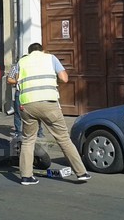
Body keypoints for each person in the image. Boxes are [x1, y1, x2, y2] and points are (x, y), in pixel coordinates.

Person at [16, 42, 90, 185]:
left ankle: (26, 176)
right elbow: (64, 78)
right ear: (42, 50)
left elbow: (14, 79)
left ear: (29, 52)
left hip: (27, 104)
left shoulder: (22, 61)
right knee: (63, 139)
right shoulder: (50, 58)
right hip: (48, 103)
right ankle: (81, 172)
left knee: (28, 140)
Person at [7, 56, 44, 138]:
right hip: (20, 92)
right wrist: (18, 81)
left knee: (36, 112)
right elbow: (9, 79)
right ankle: (18, 132)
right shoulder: (16, 68)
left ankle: (39, 131)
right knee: (18, 113)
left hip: (32, 92)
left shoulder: (33, 68)